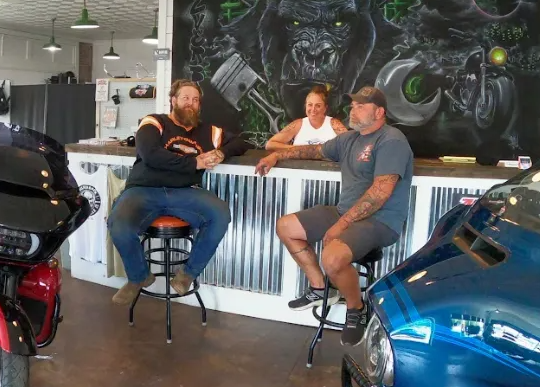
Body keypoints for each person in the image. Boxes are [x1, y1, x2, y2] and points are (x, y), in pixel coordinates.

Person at [255, 86, 413, 346]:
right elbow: (311, 151)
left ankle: (356, 308)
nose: (353, 110)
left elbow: (379, 194)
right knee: (285, 226)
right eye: (353, 105)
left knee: (332, 256)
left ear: (379, 112)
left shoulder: (391, 140)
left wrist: (341, 225)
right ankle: (320, 288)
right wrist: (275, 155)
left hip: (380, 220)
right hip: (345, 212)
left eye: (361, 106)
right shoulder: (349, 139)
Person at [107, 79, 248, 306]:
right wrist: (194, 163)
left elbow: (243, 141)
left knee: (221, 213)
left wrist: (222, 153)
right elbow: (150, 154)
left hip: (185, 192)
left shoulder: (210, 132)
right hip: (144, 190)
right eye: (185, 98)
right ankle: (139, 276)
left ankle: (187, 275)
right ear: (173, 100)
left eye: (195, 100)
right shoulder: (154, 122)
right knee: (118, 223)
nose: (190, 103)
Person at [265, 85, 348, 150]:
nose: (313, 109)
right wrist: (297, 149)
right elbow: (270, 144)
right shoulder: (298, 124)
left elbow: (351, 144)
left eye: (318, 105)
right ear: (306, 106)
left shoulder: (334, 124)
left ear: (325, 108)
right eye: (310, 105)